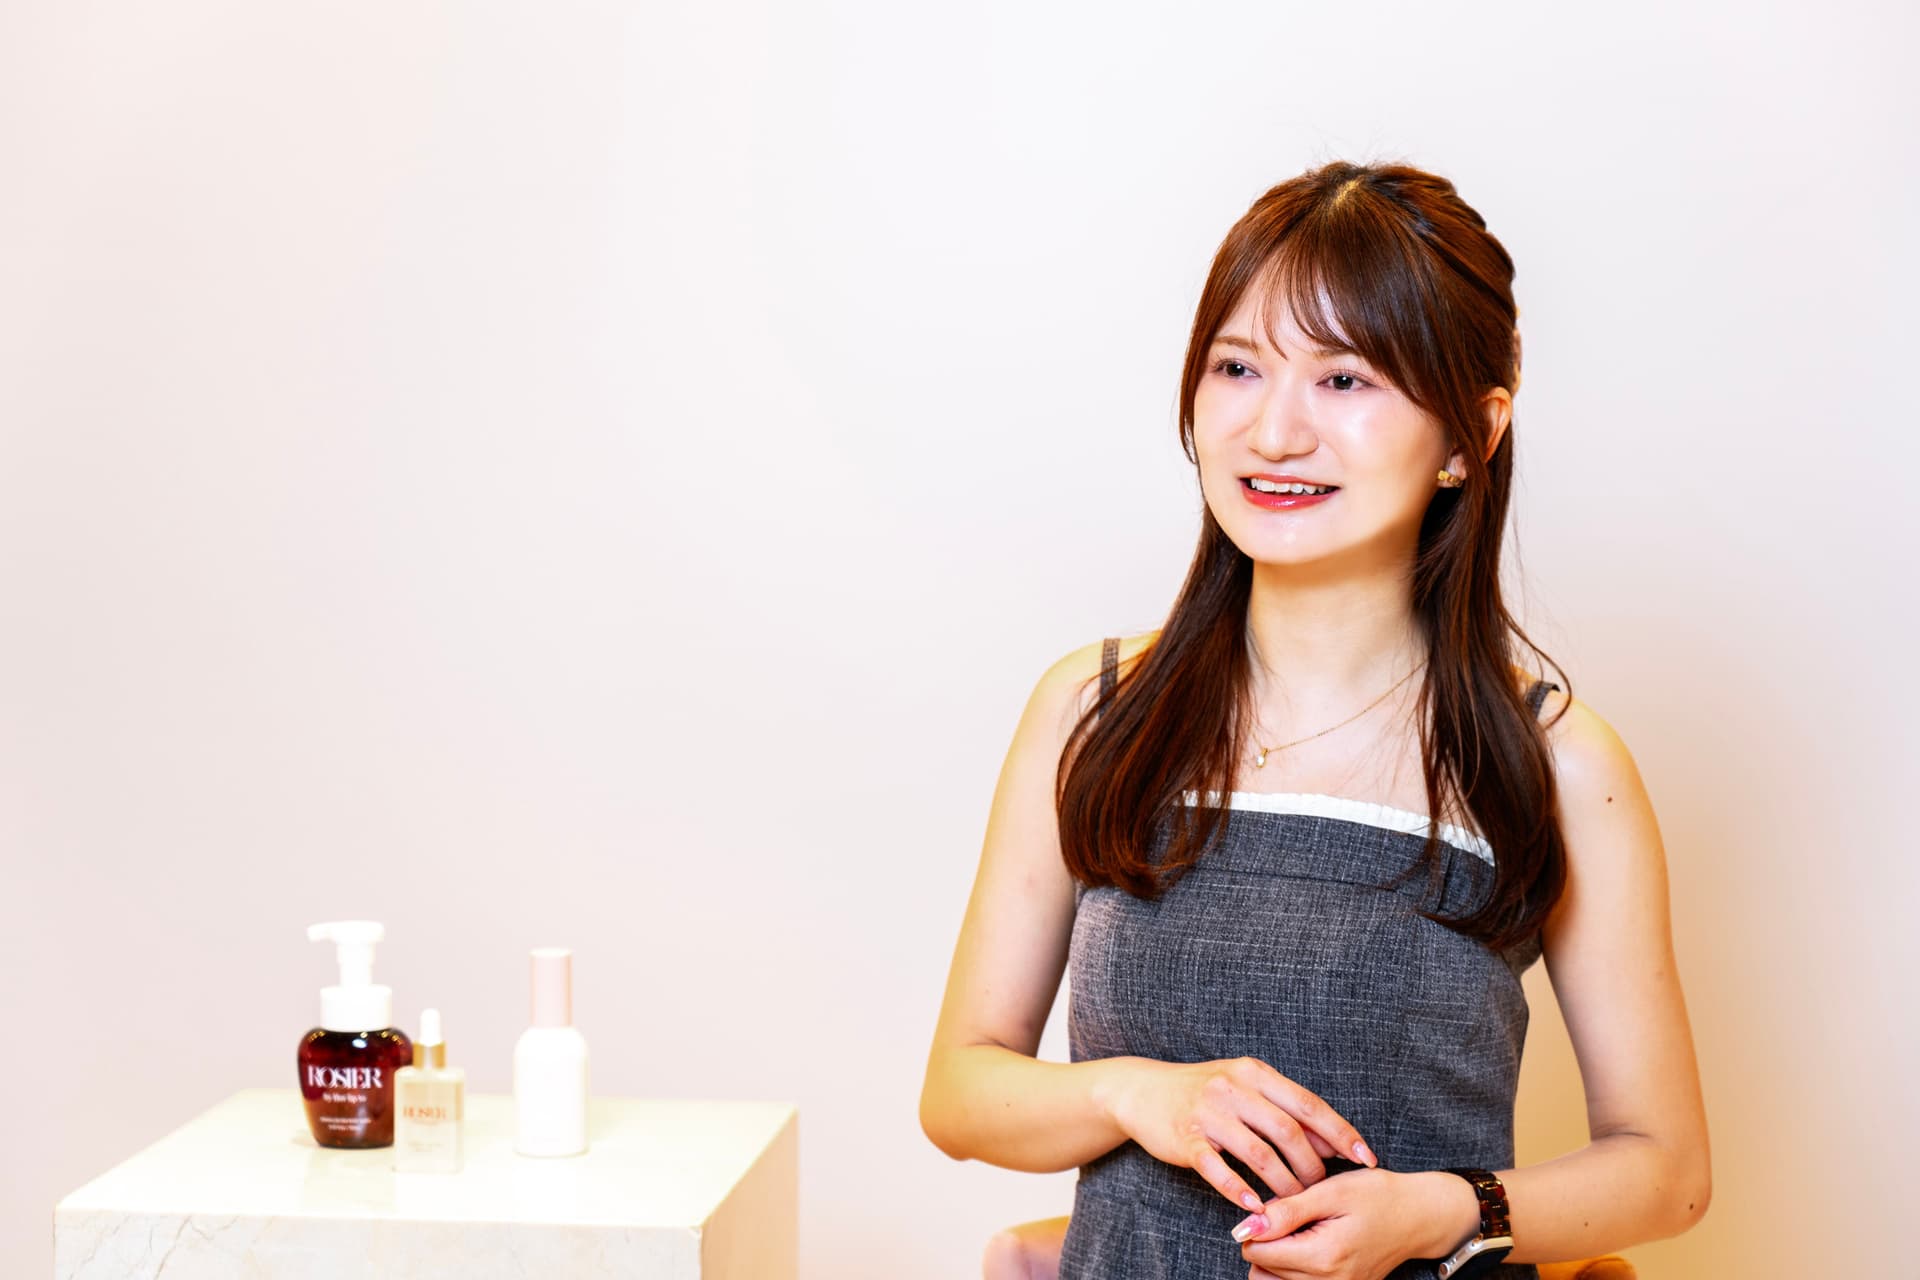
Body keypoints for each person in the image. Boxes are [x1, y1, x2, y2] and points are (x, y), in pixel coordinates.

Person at [918, 160, 1710, 1280]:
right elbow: (961, 1085)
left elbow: (1666, 1166)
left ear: (1469, 436)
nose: (1274, 430)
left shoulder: (1557, 762)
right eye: (1237, 366)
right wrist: (1136, 1093)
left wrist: (1447, 1211)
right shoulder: (1094, 712)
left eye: (1345, 380)